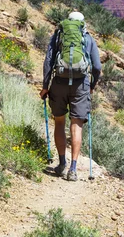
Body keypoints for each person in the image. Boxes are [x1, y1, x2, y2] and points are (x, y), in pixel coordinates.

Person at [39, 11, 101, 181]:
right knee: (76, 125)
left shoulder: (58, 36)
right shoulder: (87, 38)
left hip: (58, 83)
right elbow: (96, 67)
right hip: (81, 85)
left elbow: (48, 62)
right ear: (82, 24)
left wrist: (45, 87)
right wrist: (91, 86)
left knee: (59, 122)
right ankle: (73, 169)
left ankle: (61, 163)